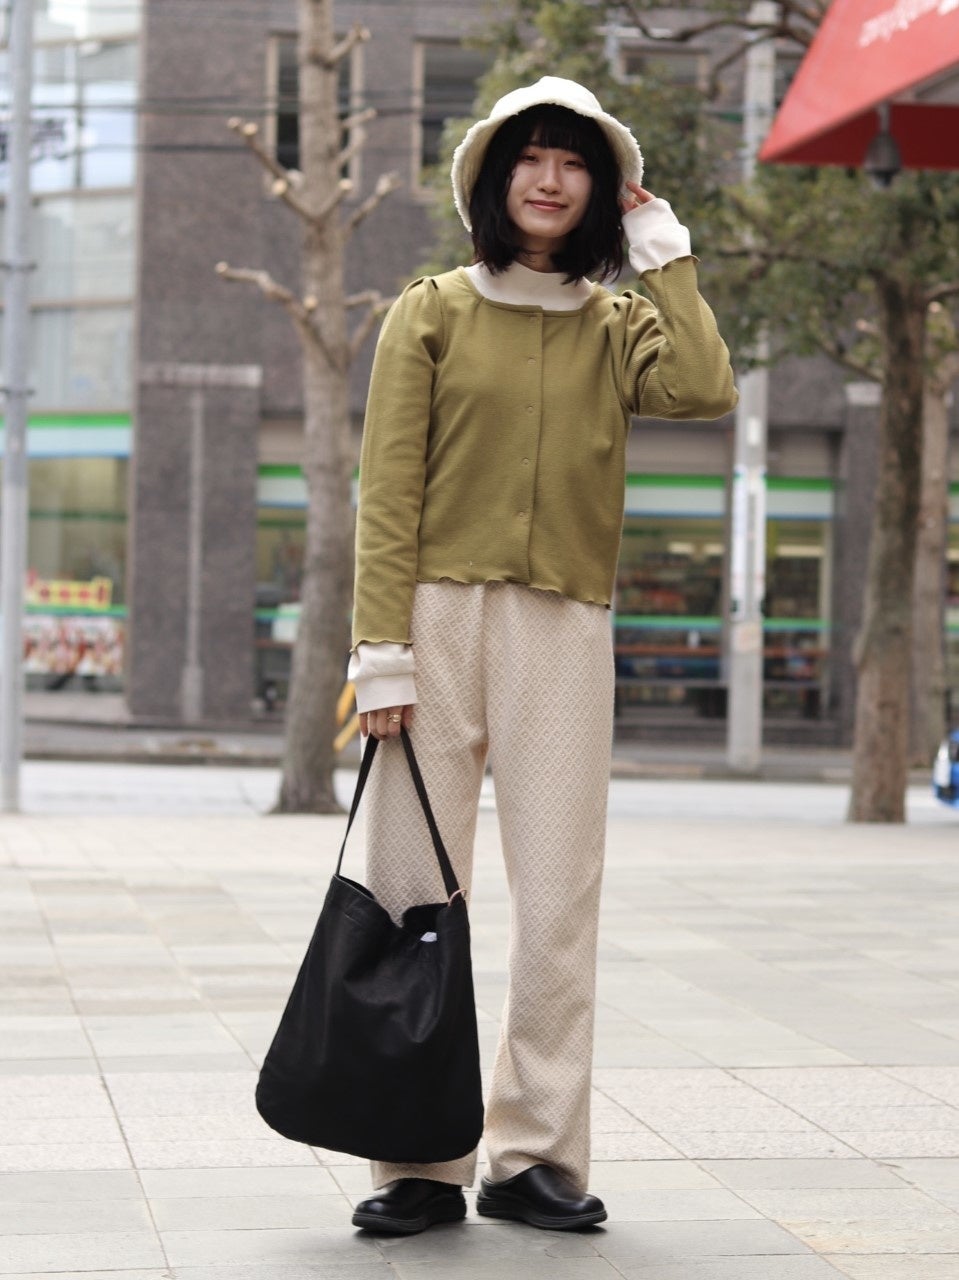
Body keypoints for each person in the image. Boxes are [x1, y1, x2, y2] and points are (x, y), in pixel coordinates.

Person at [347, 77, 737, 1236]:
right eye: (531, 156)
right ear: (494, 176)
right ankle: (416, 1159)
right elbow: (387, 491)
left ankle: (534, 1157)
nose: (551, 178)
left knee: (558, 898)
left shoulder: (617, 326)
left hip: (563, 628)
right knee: (410, 890)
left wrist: (665, 253)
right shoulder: (429, 311)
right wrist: (379, 651)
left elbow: (703, 385)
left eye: (574, 161)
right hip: (429, 624)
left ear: (602, 190)